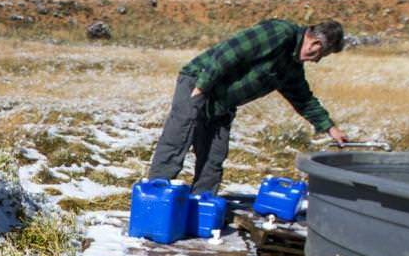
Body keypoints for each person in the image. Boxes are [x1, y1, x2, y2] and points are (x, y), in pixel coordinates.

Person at [148, 19, 350, 194]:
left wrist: (330, 128)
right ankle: (156, 196)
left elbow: (304, 99)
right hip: (200, 81)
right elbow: (229, 52)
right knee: (178, 139)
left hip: (223, 103)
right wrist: (201, 88)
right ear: (315, 43)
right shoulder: (279, 33)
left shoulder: (292, 67)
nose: (317, 60)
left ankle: (201, 204)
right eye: (321, 55)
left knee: (213, 156)